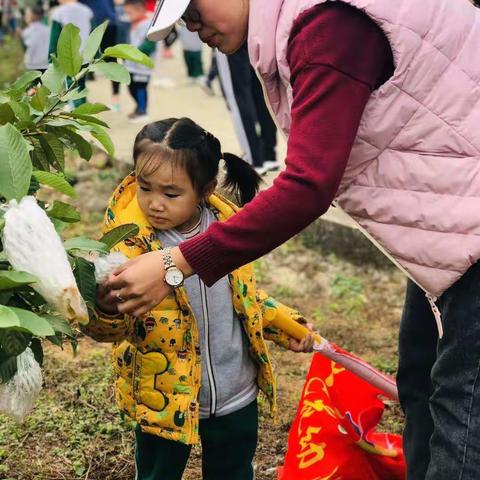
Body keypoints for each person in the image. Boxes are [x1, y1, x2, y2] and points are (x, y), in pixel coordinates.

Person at [109, 1, 480, 479]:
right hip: (453, 237)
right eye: (183, 21)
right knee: (422, 383)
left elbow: (308, 185)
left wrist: (175, 262)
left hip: (467, 237)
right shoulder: (300, 29)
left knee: (461, 413)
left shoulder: (326, 26)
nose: (192, 27)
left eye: (193, 10)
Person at [85, 117, 314, 480]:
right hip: (163, 398)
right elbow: (109, 328)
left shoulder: (227, 234)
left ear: (205, 189)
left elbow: (245, 298)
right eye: (145, 188)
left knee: (234, 471)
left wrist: (287, 324)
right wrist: (105, 308)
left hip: (236, 392)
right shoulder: (128, 247)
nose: (154, 204)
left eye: (171, 194)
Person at [216, 43, 278, 175]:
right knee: (260, 89)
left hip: (229, 35)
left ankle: (254, 158)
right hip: (254, 31)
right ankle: (269, 154)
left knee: (238, 96)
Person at [49, 0, 93, 107]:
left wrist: (51, 58)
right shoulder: (87, 11)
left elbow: (55, 37)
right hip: (85, 55)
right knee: (81, 84)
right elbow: (93, 33)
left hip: (68, 57)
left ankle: (78, 112)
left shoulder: (59, 12)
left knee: (71, 86)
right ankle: (83, 108)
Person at [80, 0, 121, 111]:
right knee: (83, 59)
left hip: (107, 23)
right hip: (95, 23)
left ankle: (116, 99)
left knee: (110, 59)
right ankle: (80, 99)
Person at [123, 0, 156, 123]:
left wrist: (134, 54)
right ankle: (138, 108)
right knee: (131, 87)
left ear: (141, 10)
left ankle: (143, 111)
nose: (128, 16)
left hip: (142, 66)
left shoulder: (147, 24)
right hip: (130, 65)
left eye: (130, 13)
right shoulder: (132, 24)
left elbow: (149, 45)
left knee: (140, 87)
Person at [21, 6, 50, 73]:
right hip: (47, 64)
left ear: (34, 16)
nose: (25, 17)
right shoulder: (49, 29)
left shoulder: (27, 32)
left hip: (33, 65)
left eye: (27, 14)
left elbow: (25, 48)